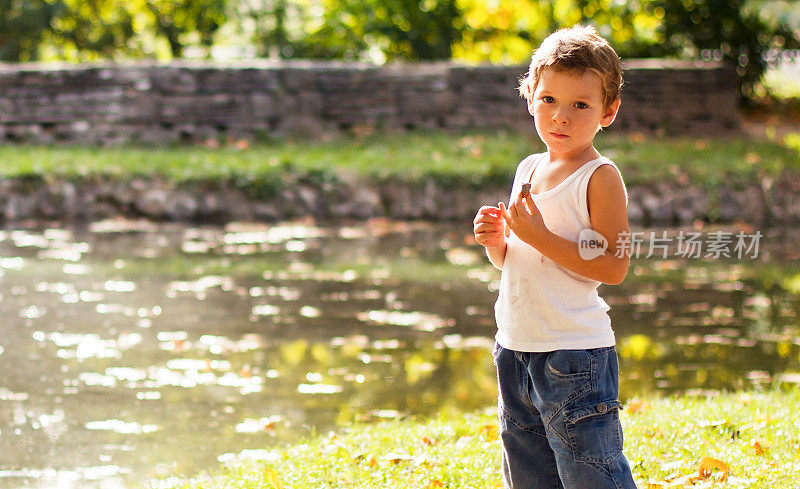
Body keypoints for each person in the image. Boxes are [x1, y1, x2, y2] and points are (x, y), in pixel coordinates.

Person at [472, 25, 638, 489]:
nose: (560, 117)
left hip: (574, 354)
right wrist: (497, 243)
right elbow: (515, 263)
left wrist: (539, 236)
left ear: (608, 111)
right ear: (529, 96)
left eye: (580, 105)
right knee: (528, 475)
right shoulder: (529, 168)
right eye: (548, 100)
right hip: (516, 346)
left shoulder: (600, 177)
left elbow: (615, 265)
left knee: (591, 475)